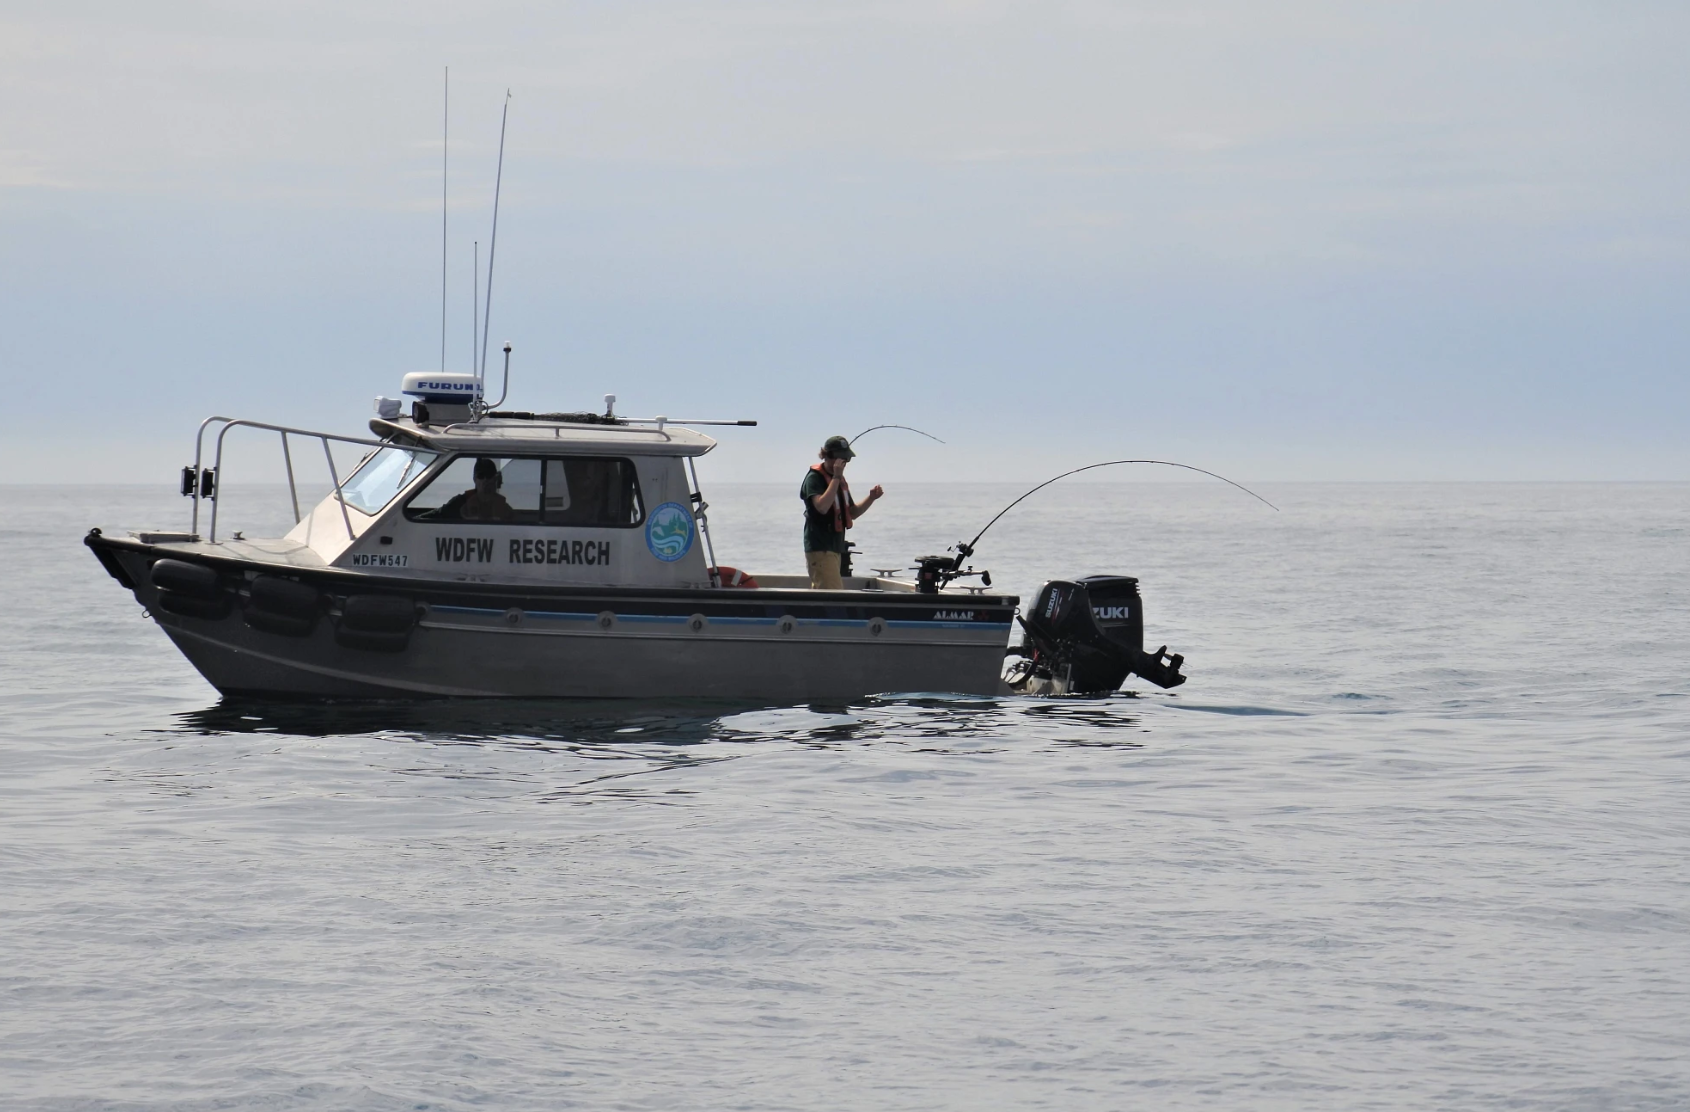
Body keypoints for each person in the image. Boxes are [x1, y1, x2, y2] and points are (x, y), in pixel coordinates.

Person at [800, 435, 884, 590]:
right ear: (829, 456)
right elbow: (822, 507)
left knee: (824, 591)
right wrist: (836, 477)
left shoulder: (838, 480)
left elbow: (852, 513)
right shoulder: (815, 478)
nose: (844, 464)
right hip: (820, 547)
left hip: (834, 547)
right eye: (841, 459)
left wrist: (871, 498)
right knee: (833, 593)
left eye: (846, 460)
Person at [451, 457, 514, 522]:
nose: (485, 479)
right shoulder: (459, 503)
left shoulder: (505, 509)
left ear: (495, 479)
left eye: (489, 475)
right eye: (481, 476)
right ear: (474, 479)